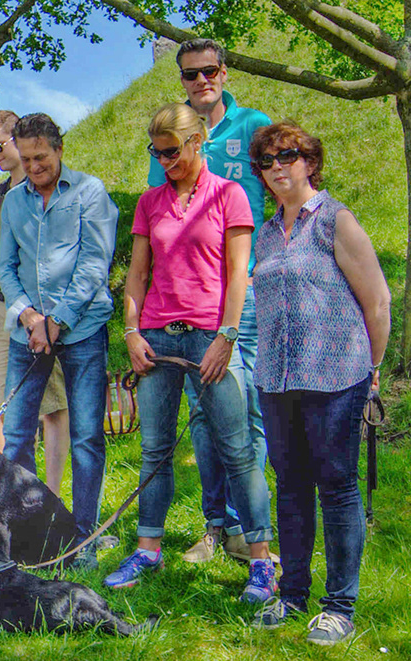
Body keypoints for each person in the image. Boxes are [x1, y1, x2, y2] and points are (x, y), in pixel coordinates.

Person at [105, 103, 275, 598]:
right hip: (158, 336)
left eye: (172, 152)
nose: (165, 162)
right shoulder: (150, 201)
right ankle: (148, 549)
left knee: (237, 448)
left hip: (210, 336)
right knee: (155, 450)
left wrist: (227, 336)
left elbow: (239, 274)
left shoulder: (229, 195)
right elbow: (138, 274)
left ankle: (261, 560)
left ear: (197, 142)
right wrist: (131, 332)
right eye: (157, 153)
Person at [246, 122, 391, 644]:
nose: (277, 167)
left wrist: (372, 369)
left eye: (287, 156)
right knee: (290, 487)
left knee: (337, 486)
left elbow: (377, 301)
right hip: (277, 378)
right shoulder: (265, 234)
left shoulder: (336, 220)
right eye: (266, 161)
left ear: (309, 161)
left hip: (337, 375)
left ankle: (339, 607)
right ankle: (292, 594)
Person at [152, 38, 276, 566]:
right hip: (191, 300)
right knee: (203, 415)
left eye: (209, 71)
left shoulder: (252, 125)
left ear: (224, 73)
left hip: (243, 290)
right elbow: (161, 207)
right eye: (190, 73)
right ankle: (215, 525)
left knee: (247, 412)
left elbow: (278, 189)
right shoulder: (169, 137)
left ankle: (251, 530)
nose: (201, 80)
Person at [0, 113, 119, 569]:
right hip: (28, 330)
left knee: (86, 437)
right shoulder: (13, 202)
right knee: (16, 437)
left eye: (41, 157)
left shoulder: (90, 192)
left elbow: (94, 263)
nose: (33, 167)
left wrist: (58, 320)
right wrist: (29, 316)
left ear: (59, 149)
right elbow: (6, 266)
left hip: (82, 328)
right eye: (26, 159)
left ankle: (83, 537)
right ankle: (29, 532)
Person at [0, 110, 71, 485]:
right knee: (7, 404)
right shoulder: (0, 195)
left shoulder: (53, 186)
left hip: (49, 311)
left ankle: (53, 492)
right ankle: (16, 490)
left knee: (54, 405)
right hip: (9, 310)